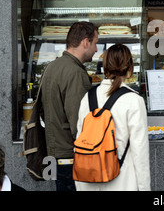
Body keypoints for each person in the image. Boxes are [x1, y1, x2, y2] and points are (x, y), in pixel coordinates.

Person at [75, 44, 150, 191]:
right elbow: (140, 151)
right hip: (122, 183)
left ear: (104, 67)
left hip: (88, 181)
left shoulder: (87, 97)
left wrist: (79, 185)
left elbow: (79, 140)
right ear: (130, 69)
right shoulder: (134, 100)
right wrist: (144, 188)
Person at [41, 21, 98, 191]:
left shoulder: (51, 67)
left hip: (55, 153)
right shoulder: (75, 73)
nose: (96, 49)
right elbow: (80, 123)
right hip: (71, 157)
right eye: (95, 43)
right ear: (85, 42)